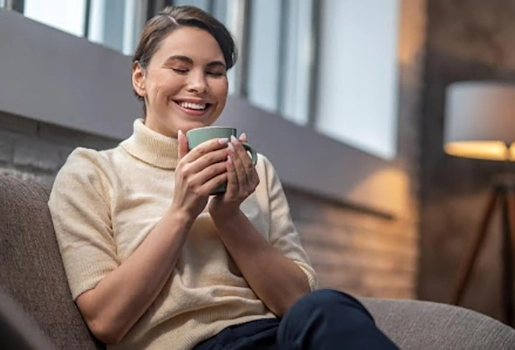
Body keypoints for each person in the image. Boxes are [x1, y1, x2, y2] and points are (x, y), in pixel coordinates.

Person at [48, 5, 398, 350]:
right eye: (180, 68)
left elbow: (296, 302)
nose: (199, 85)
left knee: (328, 309)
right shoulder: (92, 172)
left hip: (272, 337)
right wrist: (182, 211)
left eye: (214, 72)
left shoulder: (255, 171)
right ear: (139, 77)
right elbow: (106, 321)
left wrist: (229, 217)